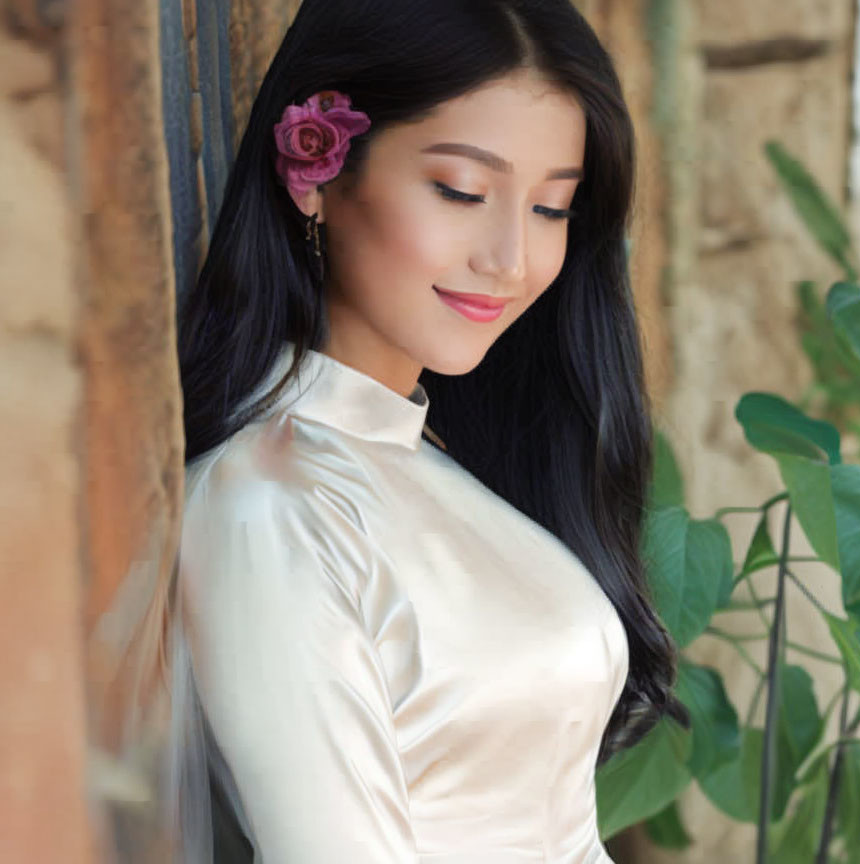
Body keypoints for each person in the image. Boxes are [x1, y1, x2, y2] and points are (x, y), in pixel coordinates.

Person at [148, 0, 691, 860]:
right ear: (316, 172)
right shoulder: (273, 508)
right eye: (461, 191)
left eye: (553, 209)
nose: (510, 258)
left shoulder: (433, 457)